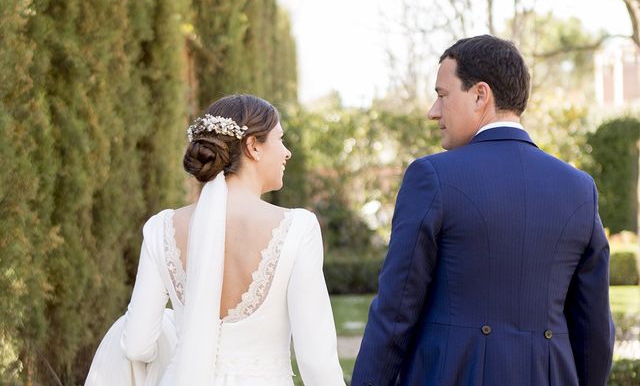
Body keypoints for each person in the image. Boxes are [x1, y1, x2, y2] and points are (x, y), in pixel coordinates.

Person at [351, 35, 615, 386]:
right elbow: (595, 329)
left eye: (442, 95)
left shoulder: (432, 177)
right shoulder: (580, 188)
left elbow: (395, 314)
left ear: (480, 95)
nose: (433, 111)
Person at [86, 94, 345, 386]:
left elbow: (136, 345)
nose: (287, 153)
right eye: (280, 140)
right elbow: (316, 360)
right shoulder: (297, 227)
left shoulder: (161, 228)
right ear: (253, 147)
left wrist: (175, 330)